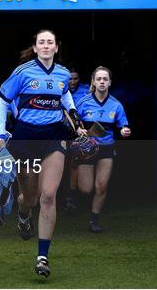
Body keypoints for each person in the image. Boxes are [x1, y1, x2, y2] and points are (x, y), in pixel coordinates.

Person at [0, 30, 86, 278]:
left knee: (48, 196)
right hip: (25, 139)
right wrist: (1, 134)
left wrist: (75, 119)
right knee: (30, 198)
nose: (46, 46)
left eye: (50, 42)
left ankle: (42, 257)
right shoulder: (23, 72)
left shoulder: (64, 73)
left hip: (54, 138)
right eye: (41, 42)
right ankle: (23, 215)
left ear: (56, 48)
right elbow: (3, 101)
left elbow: (65, 94)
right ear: (35, 48)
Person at [75, 66, 131, 233]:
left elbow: (123, 126)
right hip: (86, 148)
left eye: (105, 79)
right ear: (93, 81)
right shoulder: (83, 102)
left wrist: (124, 131)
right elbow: (73, 123)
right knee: (86, 189)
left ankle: (94, 220)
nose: (101, 82)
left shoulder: (116, 105)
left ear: (110, 82)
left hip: (106, 148)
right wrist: (79, 130)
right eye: (98, 79)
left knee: (102, 186)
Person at [64, 68, 90, 211]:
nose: (73, 82)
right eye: (70, 79)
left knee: (74, 164)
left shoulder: (86, 90)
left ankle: (71, 198)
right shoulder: (59, 88)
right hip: (61, 131)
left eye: (75, 78)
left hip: (79, 131)